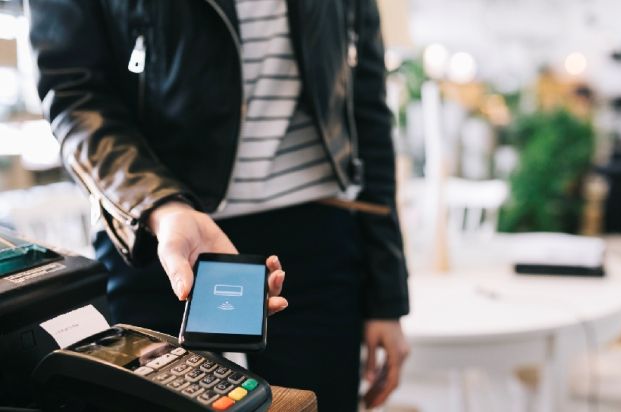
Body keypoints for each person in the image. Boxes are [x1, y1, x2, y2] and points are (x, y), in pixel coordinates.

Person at [28, 0, 410, 410]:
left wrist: (385, 297)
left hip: (315, 238)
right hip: (154, 234)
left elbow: (365, 107)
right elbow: (74, 94)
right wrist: (160, 205)